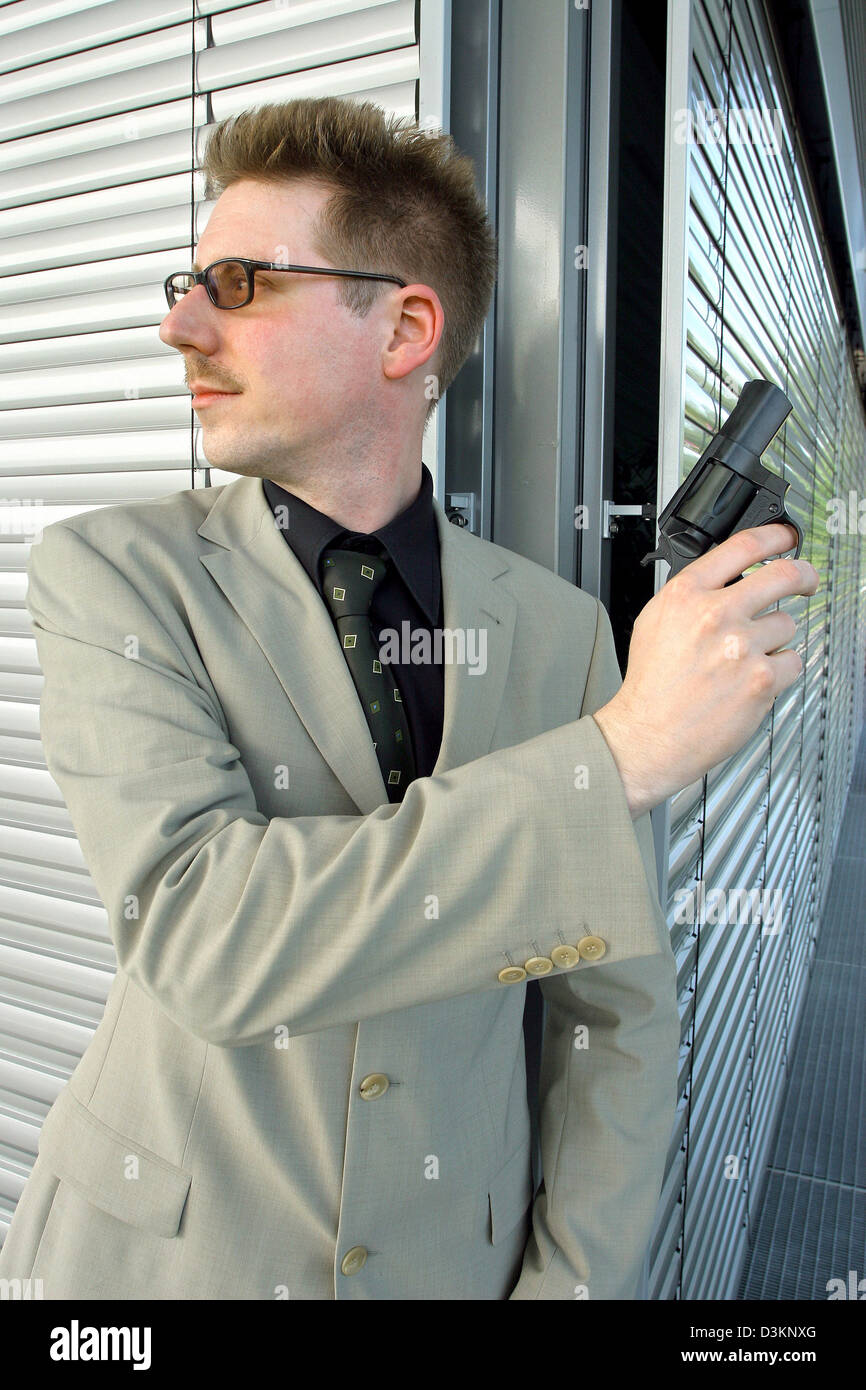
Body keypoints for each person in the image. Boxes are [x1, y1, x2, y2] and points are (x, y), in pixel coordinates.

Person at [0, 97, 818, 1301]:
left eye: (234, 282)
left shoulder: (559, 632)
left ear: (403, 329)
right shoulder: (110, 575)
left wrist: (570, 1289)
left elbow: (613, 1024)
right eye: (188, 282)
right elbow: (205, 932)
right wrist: (621, 755)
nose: (178, 324)